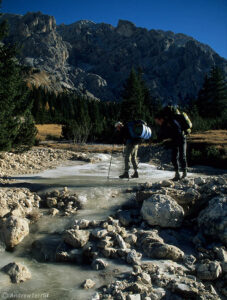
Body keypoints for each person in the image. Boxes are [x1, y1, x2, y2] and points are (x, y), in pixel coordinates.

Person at [154, 108, 188, 181]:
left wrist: (170, 137)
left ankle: (184, 174)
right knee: (174, 157)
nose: (157, 123)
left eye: (157, 121)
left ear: (161, 119)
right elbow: (162, 135)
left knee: (182, 156)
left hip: (181, 138)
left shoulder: (171, 121)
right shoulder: (164, 125)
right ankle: (177, 174)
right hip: (175, 139)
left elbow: (178, 130)